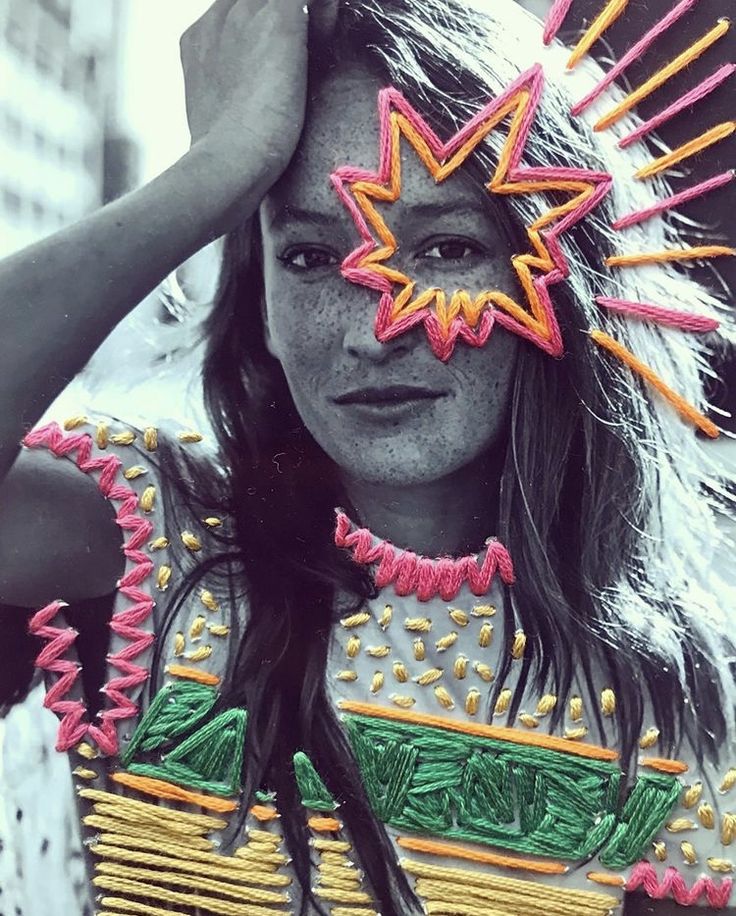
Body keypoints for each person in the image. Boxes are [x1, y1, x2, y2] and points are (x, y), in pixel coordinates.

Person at [0, 0, 734, 914]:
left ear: (560, 277)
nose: (373, 327)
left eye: (449, 247)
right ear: (257, 299)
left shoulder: (675, 692)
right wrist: (213, 175)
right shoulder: (158, 549)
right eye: (308, 256)